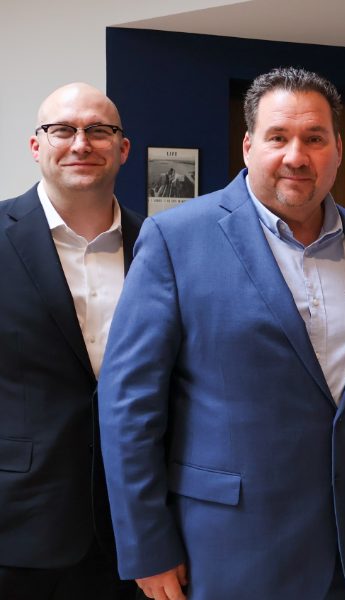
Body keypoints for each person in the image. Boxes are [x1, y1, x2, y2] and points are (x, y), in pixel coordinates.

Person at [98, 67, 345, 600]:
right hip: (225, 547)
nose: (296, 156)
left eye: (315, 139)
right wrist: (147, 545)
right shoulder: (176, 238)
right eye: (278, 137)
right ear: (248, 145)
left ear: (338, 150)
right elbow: (128, 406)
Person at [0, 83, 141, 599]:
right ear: (36, 145)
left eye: (98, 130)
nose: (81, 143)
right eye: (63, 129)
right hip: (16, 525)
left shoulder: (158, 246)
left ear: (122, 149)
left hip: (130, 531)